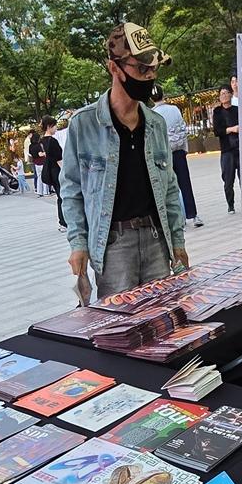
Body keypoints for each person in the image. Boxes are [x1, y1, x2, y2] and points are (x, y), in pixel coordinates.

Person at [62, 22, 188, 298]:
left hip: (157, 240)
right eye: (142, 68)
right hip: (113, 245)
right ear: (114, 68)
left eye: (154, 68)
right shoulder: (84, 125)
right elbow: (71, 191)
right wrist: (78, 243)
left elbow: (169, 188)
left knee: (163, 321)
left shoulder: (155, 124)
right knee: (119, 329)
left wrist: (177, 242)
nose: (150, 76)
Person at [152, 85, 201, 227]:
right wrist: (185, 148)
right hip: (179, 151)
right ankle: (194, 215)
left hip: (164, 156)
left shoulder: (152, 114)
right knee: (185, 183)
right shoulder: (174, 110)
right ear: (163, 94)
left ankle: (179, 218)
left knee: (169, 187)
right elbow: (182, 129)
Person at [212, 85, 240, 214]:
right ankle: (231, 205)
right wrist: (231, 129)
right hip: (227, 150)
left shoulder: (237, 110)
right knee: (228, 179)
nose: (223, 95)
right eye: (221, 94)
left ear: (231, 94)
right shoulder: (217, 112)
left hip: (239, 148)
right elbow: (217, 131)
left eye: (226, 93)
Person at [40, 116, 64, 230]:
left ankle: (62, 222)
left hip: (48, 171)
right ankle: (64, 222)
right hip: (56, 170)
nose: (56, 129)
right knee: (63, 196)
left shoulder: (42, 141)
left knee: (60, 196)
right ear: (49, 126)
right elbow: (59, 159)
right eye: (54, 126)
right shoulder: (52, 141)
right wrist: (65, 172)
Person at [28, 128, 49, 196]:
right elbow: (40, 154)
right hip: (42, 162)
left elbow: (30, 154)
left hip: (36, 163)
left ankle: (39, 191)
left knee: (39, 177)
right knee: (45, 176)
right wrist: (46, 153)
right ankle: (46, 191)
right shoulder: (38, 145)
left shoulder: (30, 146)